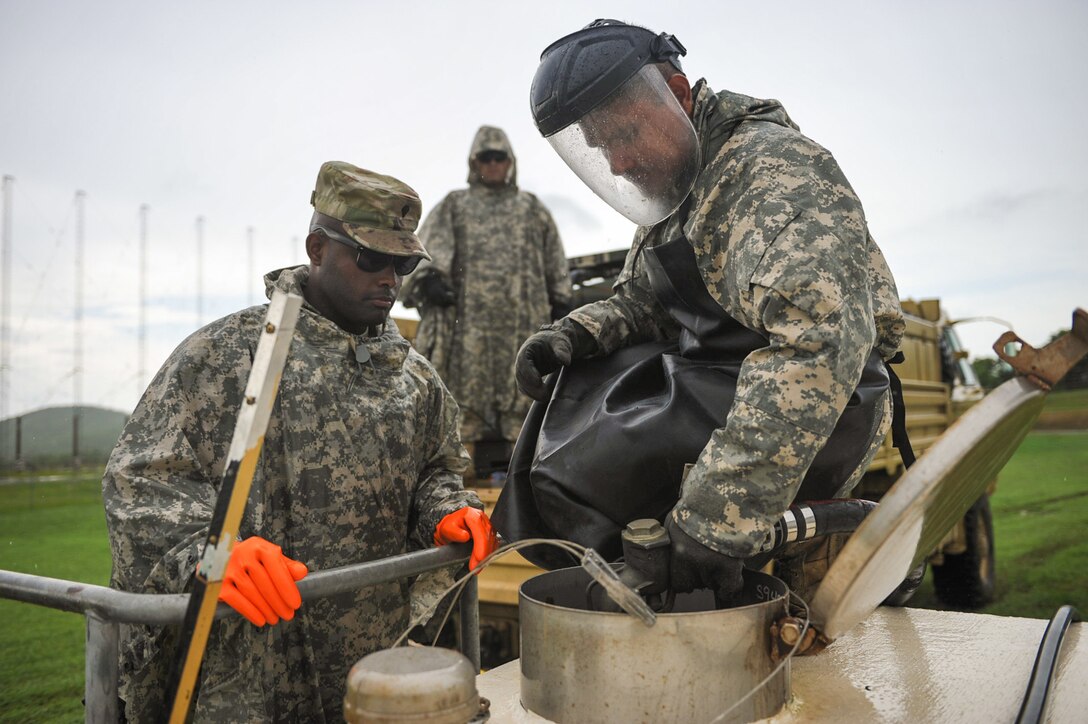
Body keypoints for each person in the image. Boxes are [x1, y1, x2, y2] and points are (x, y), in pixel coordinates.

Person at [494, 20, 906, 605]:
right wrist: (575, 335)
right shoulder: (677, 186)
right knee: (569, 419)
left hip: (819, 414)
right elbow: (650, 301)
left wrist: (720, 514)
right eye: (605, 146)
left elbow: (818, 345)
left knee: (793, 650)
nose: (620, 162)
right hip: (721, 390)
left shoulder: (770, 174)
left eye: (629, 133)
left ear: (680, 96)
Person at [103, 161, 498, 722]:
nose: (389, 278)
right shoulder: (223, 357)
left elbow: (437, 467)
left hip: (367, 668)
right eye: (370, 257)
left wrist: (447, 510)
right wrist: (213, 551)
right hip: (246, 670)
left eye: (403, 263)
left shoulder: (415, 378)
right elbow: (138, 481)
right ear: (317, 247)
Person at [401, 126, 572, 471]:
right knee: (463, 412)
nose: (493, 164)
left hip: (521, 332)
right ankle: (457, 488)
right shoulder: (455, 206)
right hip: (469, 339)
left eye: (500, 157)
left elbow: (557, 267)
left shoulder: (532, 210)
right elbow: (417, 256)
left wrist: (562, 307)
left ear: (511, 162)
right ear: (473, 162)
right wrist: (429, 280)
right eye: (486, 157)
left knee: (525, 407)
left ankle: (526, 486)